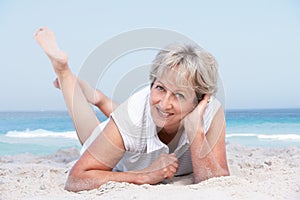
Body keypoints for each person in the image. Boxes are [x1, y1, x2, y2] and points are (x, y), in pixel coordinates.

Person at [34, 27, 230, 192]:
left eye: (179, 95)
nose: (164, 103)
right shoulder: (133, 114)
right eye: (160, 88)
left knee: (139, 117)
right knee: (91, 132)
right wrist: (143, 176)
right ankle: (64, 72)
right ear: (152, 84)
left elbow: (216, 183)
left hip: (132, 121)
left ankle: (98, 97)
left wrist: (196, 133)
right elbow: (76, 179)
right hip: (123, 124)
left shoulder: (211, 112)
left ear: (200, 100)